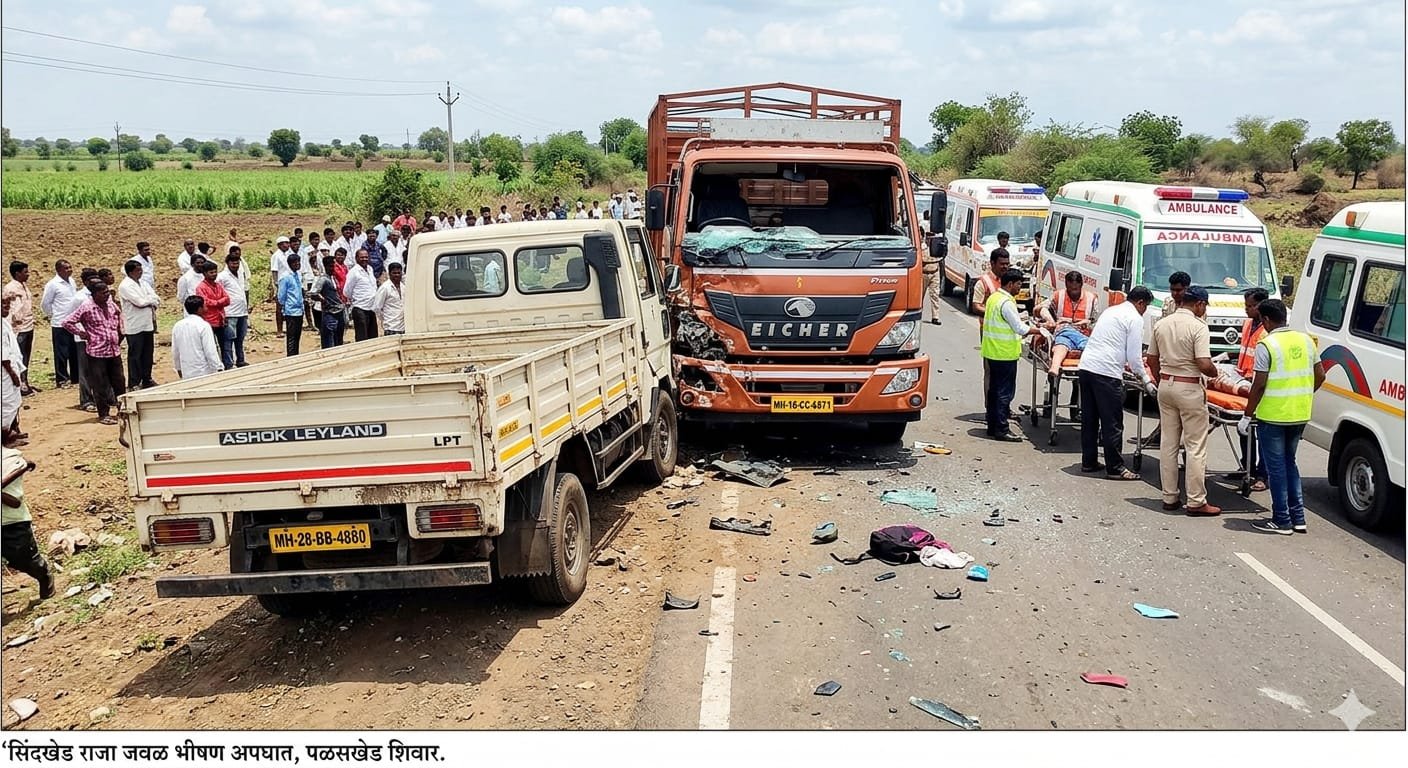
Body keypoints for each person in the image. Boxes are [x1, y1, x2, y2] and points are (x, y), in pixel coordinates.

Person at [1239, 299, 1325, 534]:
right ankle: (1298, 518)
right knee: (1290, 465)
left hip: (1274, 416)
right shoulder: (1306, 341)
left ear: (1266, 320)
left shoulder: (1267, 345)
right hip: (1299, 414)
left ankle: (1281, 520)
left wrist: (1247, 416)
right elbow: (1321, 375)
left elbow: (1258, 385)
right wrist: (1304, 394)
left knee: (1276, 469)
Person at [1147, 284, 1221, 515]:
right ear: (1199, 304)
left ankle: (1169, 497)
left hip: (1166, 385)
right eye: (1204, 306)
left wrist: (1162, 379)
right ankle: (1196, 500)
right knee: (1195, 446)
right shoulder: (1198, 327)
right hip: (1189, 387)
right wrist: (1215, 373)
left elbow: (1151, 359)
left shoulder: (1162, 324)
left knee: (1168, 443)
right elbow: (1203, 362)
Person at [1076, 285, 1158, 481]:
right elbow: (1134, 357)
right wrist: (1146, 380)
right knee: (1112, 421)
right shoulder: (1135, 319)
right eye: (1145, 306)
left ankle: (1089, 461)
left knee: (1090, 418)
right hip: (1106, 372)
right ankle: (1115, 468)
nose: (1144, 310)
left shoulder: (1111, 311)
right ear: (1140, 303)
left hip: (1087, 367)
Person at [981, 268, 1042, 441]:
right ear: (1010, 284)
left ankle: (993, 426)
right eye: (1018, 284)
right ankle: (1001, 428)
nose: (1020, 288)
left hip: (992, 352)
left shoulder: (994, 297)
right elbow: (1020, 329)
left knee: (994, 391)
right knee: (1004, 393)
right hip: (1004, 354)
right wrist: (1041, 330)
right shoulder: (1007, 303)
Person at [62, 277, 125, 426]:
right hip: (97, 352)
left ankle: (123, 410)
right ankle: (103, 414)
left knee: (119, 382)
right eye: (103, 293)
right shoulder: (86, 307)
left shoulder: (110, 305)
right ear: (94, 294)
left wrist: (120, 333)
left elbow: (118, 315)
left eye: (107, 292)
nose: (107, 295)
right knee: (100, 384)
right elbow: (67, 322)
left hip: (114, 350)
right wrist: (81, 333)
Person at [2, 447, 54, 600]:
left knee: (23, 559)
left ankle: (44, 575)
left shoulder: (11, 460)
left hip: (12, 522)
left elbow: (14, 502)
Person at [1036, 270, 1098, 377]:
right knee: (1063, 340)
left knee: (1064, 339)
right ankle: (1055, 367)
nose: (1073, 292)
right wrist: (1050, 320)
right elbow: (1039, 309)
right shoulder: (1058, 295)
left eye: (1076, 289)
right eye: (1070, 289)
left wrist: (1087, 322)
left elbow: (1097, 322)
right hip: (1062, 330)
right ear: (1066, 285)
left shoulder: (1091, 298)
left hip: (1082, 332)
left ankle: (1055, 366)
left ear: (1081, 285)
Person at [118, 259, 160, 389]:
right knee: (135, 355)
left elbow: (156, 298)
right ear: (130, 272)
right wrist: (150, 301)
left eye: (141, 270)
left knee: (148, 353)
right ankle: (134, 382)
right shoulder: (125, 286)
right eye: (138, 270)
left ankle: (146, 378)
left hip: (147, 323)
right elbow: (139, 302)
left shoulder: (143, 283)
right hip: (134, 325)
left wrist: (150, 301)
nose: (140, 272)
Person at [39, 260, 79, 389]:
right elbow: (45, 304)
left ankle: (75, 377)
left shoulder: (72, 281)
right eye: (66, 268)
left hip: (73, 322)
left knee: (74, 351)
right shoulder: (52, 284)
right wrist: (54, 314)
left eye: (70, 267)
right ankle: (62, 379)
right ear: (59, 270)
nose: (69, 270)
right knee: (61, 352)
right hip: (60, 323)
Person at [170, 296, 224, 380]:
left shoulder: (177, 326)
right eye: (204, 306)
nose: (206, 308)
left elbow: (175, 351)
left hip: (186, 371)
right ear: (199, 309)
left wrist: (178, 368)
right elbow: (210, 351)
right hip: (203, 371)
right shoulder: (203, 325)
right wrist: (218, 367)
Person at [4, 260, 36, 394]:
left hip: (28, 326)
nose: (28, 274)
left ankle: (25, 381)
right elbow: (12, 310)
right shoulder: (11, 288)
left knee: (26, 356)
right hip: (18, 329)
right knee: (18, 356)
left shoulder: (23, 286)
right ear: (17, 273)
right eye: (25, 272)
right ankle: (19, 384)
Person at [217, 250, 251, 368]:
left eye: (237, 263)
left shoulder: (240, 274)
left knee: (240, 338)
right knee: (228, 339)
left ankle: (240, 360)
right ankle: (228, 363)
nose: (235, 266)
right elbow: (219, 294)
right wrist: (222, 314)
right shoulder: (222, 277)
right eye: (233, 263)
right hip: (230, 312)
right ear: (227, 263)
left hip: (242, 312)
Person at [194, 261, 231, 367]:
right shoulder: (200, 288)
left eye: (215, 272)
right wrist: (219, 302)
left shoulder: (218, 285)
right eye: (211, 272)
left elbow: (228, 299)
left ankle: (227, 364)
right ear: (204, 273)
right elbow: (206, 302)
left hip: (221, 320)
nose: (214, 274)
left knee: (225, 344)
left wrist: (216, 303)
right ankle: (214, 366)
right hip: (208, 321)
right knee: (211, 346)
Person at [2, 294, 26, 446]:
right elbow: (3, 354)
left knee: (13, 402)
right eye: (4, 306)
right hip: (5, 371)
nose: (7, 309)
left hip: (12, 367)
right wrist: (12, 374)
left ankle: (11, 432)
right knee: (7, 404)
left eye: (8, 306)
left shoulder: (4, 322)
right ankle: (4, 440)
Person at [313, 254, 347, 349]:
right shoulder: (323, 279)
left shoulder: (334, 278)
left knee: (338, 340)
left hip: (339, 311)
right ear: (326, 266)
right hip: (330, 314)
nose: (333, 268)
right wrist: (322, 300)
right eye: (331, 266)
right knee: (329, 342)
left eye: (334, 266)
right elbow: (313, 293)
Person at [345, 249, 379, 341]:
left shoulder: (370, 269)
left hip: (371, 308)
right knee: (362, 338)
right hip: (360, 308)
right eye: (362, 257)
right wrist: (356, 299)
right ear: (356, 259)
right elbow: (346, 291)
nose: (364, 259)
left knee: (373, 337)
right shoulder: (353, 272)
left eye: (366, 257)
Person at [278, 253, 306, 356]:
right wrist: (285, 307)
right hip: (291, 311)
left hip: (299, 310)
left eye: (299, 262)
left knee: (297, 336)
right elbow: (281, 296)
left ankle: (296, 355)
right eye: (295, 262)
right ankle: (291, 357)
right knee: (291, 337)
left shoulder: (298, 275)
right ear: (290, 264)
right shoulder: (285, 277)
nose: (298, 264)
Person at [920, 212, 942, 326]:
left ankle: (935, 317)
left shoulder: (936, 248)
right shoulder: (921, 247)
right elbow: (921, 260)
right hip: (923, 273)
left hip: (934, 272)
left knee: (935, 295)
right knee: (920, 296)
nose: (929, 238)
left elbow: (940, 258)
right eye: (927, 236)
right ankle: (918, 314)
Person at [270, 236, 294, 338]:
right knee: (279, 307)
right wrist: (276, 284)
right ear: (279, 245)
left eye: (287, 243)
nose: (286, 245)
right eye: (284, 243)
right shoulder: (276, 255)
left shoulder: (289, 254)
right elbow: (274, 270)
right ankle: (279, 330)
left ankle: (289, 328)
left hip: (290, 283)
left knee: (289, 306)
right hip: (281, 283)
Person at [373, 262, 406, 335]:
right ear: (389, 274)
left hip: (403, 327)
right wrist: (385, 319)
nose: (397, 275)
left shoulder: (403, 287)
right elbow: (377, 308)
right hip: (390, 327)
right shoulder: (385, 288)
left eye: (398, 273)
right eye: (394, 273)